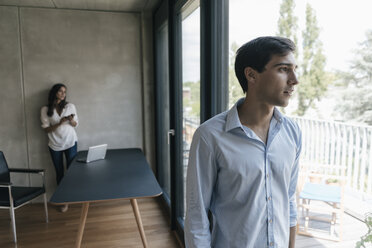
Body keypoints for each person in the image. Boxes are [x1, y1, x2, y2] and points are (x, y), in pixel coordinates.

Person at [184, 36, 302, 248]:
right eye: (283, 69)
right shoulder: (210, 136)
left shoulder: (292, 132)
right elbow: (196, 214)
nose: (294, 79)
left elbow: (289, 200)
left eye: (294, 69)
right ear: (251, 74)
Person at [41, 83, 78, 212]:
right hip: (54, 144)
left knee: (72, 171)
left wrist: (71, 121)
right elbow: (46, 130)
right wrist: (59, 123)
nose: (63, 94)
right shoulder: (45, 109)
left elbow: (75, 124)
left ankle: (73, 197)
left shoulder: (70, 106)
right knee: (59, 172)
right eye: (61, 91)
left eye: (65, 92)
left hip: (70, 142)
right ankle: (64, 201)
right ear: (55, 92)